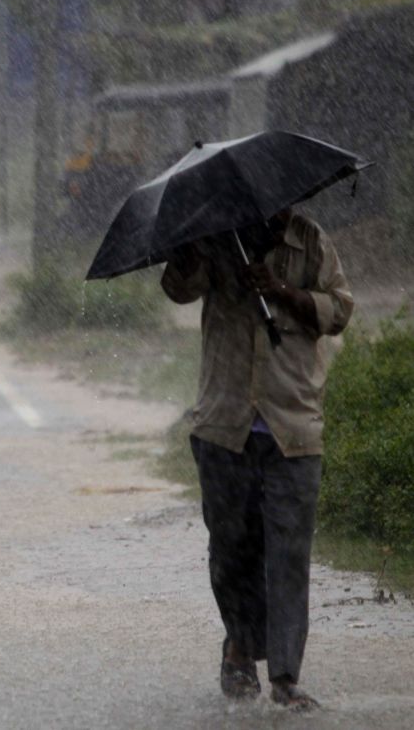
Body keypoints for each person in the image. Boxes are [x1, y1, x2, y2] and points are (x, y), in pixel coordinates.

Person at [161, 207, 353, 712]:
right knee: (231, 550)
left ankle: (286, 676)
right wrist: (184, 253)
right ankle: (240, 649)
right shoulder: (215, 236)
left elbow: (340, 310)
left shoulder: (310, 241)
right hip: (224, 425)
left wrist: (283, 292)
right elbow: (179, 290)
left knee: (288, 557)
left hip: (293, 427)